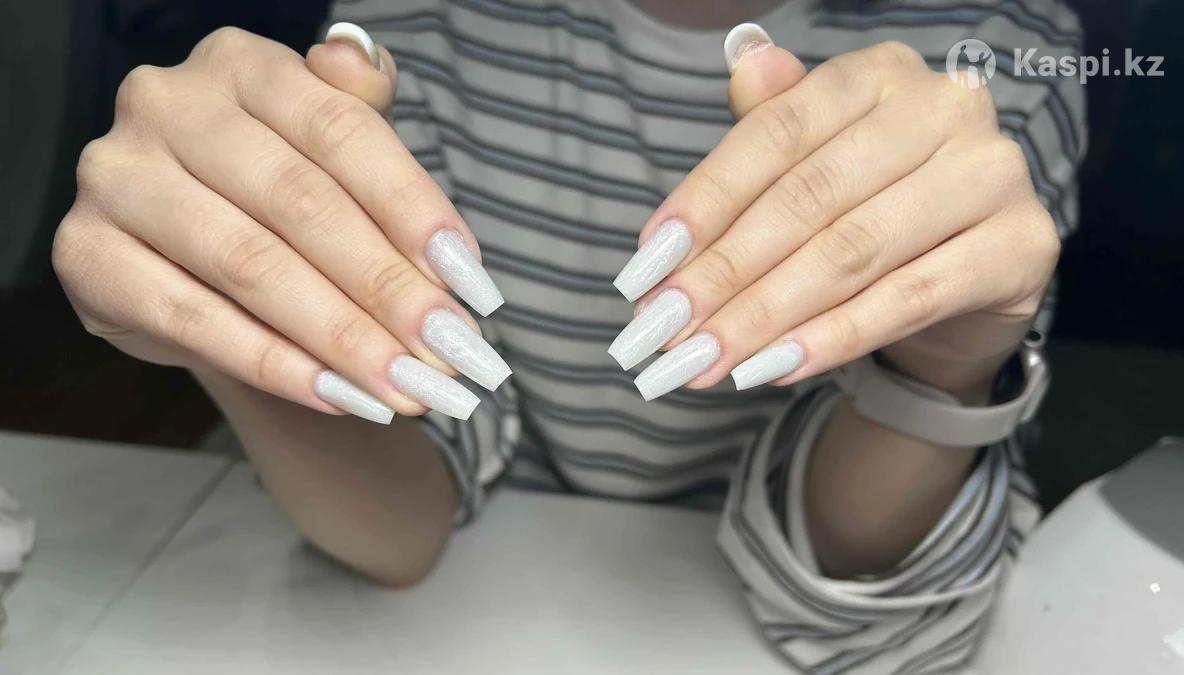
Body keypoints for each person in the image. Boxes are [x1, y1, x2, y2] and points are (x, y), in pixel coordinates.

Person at [51, 0, 1084, 670]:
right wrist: (237, 310)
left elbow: (859, 592)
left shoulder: (996, 47)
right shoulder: (413, 22)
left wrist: (945, 365)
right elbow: (398, 529)